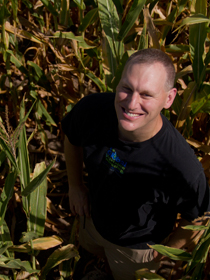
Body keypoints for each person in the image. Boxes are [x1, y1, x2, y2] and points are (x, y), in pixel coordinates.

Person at [62, 48, 210, 280]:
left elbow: (199, 219)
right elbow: (72, 139)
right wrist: (76, 186)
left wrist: (166, 254)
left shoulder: (180, 165)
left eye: (146, 95)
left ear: (169, 99)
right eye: (126, 89)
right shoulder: (92, 110)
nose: (132, 103)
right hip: (91, 220)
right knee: (94, 251)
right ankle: (102, 264)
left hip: (136, 249)